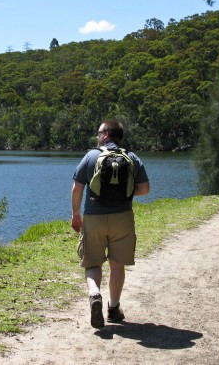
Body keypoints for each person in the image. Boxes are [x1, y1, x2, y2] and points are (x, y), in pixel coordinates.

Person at [71, 120, 150, 329]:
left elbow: (77, 188)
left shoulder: (91, 156)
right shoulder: (131, 157)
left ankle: (94, 294)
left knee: (92, 263)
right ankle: (114, 308)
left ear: (106, 134)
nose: (97, 136)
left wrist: (75, 215)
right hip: (123, 217)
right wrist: (125, 192)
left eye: (99, 132)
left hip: (94, 217)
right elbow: (145, 189)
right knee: (117, 264)